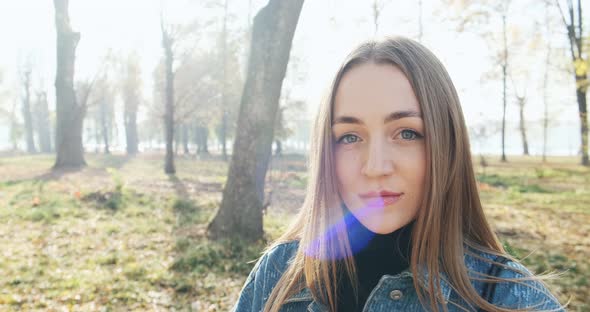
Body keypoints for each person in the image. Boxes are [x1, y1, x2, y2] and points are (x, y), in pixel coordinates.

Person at [232, 37, 564, 312]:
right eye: (349, 136)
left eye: (406, 133)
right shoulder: (277, 275)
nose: (376, 167)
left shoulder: (509, 298)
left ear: (446, 144)